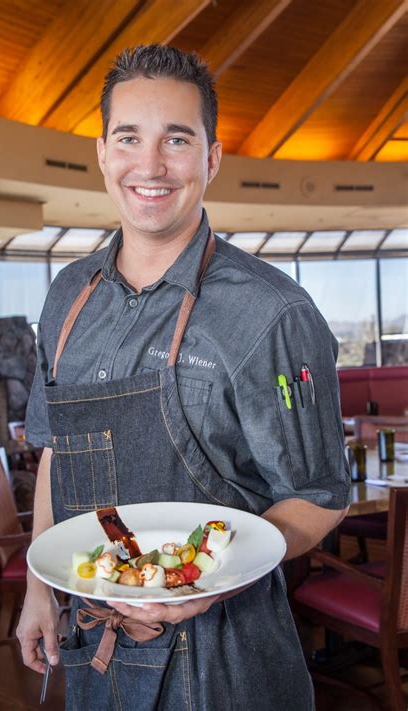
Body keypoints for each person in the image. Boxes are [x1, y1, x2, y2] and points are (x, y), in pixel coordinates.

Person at [18, 44, 350, 710]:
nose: (150, 165)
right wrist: (38, 588)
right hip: (97, 650)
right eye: (129, 138)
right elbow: (59, 448)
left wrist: (208, 584)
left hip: (228, 664)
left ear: (211, 158)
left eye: (176, 139)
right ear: (104, 153)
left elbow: (321, 494)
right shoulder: (66, 296)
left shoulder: (271, 312)